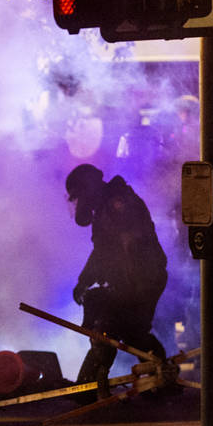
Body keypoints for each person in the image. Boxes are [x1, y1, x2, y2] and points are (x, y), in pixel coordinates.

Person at [65, 163, 168, 389]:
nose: (80, 202)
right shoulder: (105, 207)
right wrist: (84, 281)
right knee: (131, 332)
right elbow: (101, 252)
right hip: (135, 280)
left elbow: (130, 245)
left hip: (143, 279)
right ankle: (161, 378)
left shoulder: (117, 204)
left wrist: (130, 285)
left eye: (80, 195)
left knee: (113, 327)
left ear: (89, 188)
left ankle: (90, 385)